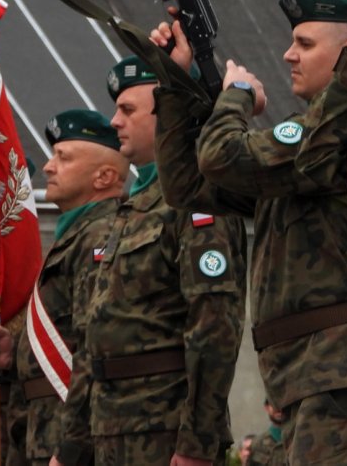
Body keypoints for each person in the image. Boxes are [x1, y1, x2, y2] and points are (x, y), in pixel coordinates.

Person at [150, 0, 347, 464]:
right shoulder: (309, 143)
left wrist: (237, 95)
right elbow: (186, 186)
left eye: (304, 44)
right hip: (307, 377)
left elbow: (222, 156)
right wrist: (176, 85)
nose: (287, 56)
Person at [52, 57, 247, 466]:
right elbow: (95, 339)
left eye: (128, 110)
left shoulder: (196, 200)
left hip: (164, 429)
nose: (115, 121)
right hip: (112, 428)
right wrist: (73, 446)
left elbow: (214, 326)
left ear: (170, 111)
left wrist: (197, 442)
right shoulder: (134, 206)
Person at [0, 109, 127, 465]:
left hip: (70, 441)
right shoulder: (74, 237)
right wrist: (16, 356)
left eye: (64, 157)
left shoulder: (102, 237)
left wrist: (73, 448)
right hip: (41, 431)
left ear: (104, 176)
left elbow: (97, 346)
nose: (47, 167)